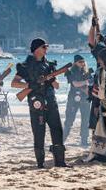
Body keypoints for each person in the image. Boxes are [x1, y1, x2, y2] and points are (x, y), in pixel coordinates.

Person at [12, 38, 68, 168]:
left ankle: (60, 162)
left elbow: (57, 86)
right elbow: (14, 83)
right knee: (38, 133)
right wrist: (29, 84)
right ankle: (40, 163)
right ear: (36, 49)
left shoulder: (49, 65)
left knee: (57, 130)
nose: (46, 49)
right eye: (44, 47)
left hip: (51, 102)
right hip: (36, 103)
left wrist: (51, 78)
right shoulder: (25, 66)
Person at [63, 54, 92, 147]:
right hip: (73, 98)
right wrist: (86, 82)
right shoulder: (71, 72)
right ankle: (61, 141)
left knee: (86, 120)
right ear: (75, 63)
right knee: (69, 121)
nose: (82, 63)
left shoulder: (86, 71)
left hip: (85, 98)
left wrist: (88, 88)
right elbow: (75, 84)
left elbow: (90, 84)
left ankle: (84, 141)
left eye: (83, 61)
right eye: (80, 62)